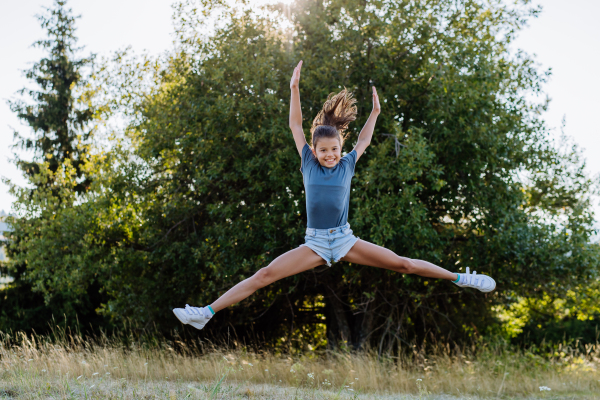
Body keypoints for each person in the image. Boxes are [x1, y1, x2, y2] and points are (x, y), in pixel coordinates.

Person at [173, 61, 495, 330]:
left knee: (404, 264)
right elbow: (295, 125)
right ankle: (206, 313)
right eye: (324, 150)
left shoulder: (348, 164)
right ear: (314, 151)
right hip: (314, 242)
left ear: (341, 148)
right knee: (264, 275)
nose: (330, 154)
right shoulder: (308, 164)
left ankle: (460, 278)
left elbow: (365, 140)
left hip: (344, 239)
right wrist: (294, 89)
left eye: (335, 149)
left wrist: (375, 113)